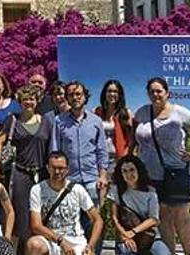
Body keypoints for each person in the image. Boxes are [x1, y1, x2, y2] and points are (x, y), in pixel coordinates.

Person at [133, 77, 190, 255]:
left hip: (177, 173)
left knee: (181, 216)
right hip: (150, 175)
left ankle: (189, 253)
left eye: (159, 91)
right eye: (152, 91)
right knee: (164, 217)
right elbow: (134, 137)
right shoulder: (142, 113)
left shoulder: (179, 112)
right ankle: (170, 253)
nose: (155, 94)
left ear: (167, 93)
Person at [0, 86, 53, 251]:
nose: (28, 102)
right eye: (25, 99)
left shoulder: (46, 121)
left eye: (32, 99)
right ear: (20, 101)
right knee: (21, 216)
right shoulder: (13, 120)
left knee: (41, 215)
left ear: (37, 101)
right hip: (20, 173)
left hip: (41, 174)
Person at [51, 81, 107, 255]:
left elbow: (101, 151)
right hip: (69, 181)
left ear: (85, 97)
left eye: (78, 94)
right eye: (71, 95)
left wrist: (103, 176)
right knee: (70, 223)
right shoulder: (59, 121)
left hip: (91, 180)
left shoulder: (96, 121)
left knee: (93, 222)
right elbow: (55, 151)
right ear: (67, 98)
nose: (75, 98)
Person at [24, 152, 103, 255]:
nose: (57, 171)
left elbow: (98, 220)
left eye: (61, 168)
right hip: (51, 239)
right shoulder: (37, 190)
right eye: (53, 168)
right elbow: (36, 225)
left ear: (67, 169)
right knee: (33, 244)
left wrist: (91, 246)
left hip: (76, 240)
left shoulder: (77, 189)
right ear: (48, 168)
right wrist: (61, 241)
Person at [107, 156, 170, 255]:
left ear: (139, 171)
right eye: (125, 171)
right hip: (126, 235)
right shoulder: (116, 190)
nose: (129, 174)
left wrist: (134, 231)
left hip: (149, 236)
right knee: (125, 250)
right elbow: (114, 218)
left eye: (132, 170)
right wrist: (125, 235)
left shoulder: (150, 192)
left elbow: (154, 219)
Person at [94, 80, 133, 173]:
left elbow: (131, 139)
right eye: (109, 91)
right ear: (105, 93)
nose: (112, 94)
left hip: (118, 160)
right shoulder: (97, 112)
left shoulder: (126, 113)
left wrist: (124, 158)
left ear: (120, 94)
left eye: (115, 91)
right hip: (98, 160)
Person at [45, 82, 70, 152]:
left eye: (60, 94)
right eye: (54, 95)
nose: (58, 97)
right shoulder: (48, 117)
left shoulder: (77, 114)